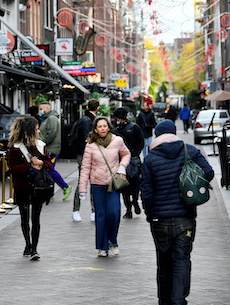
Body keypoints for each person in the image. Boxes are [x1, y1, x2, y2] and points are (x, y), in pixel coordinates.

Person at [141, 120, 214, 304]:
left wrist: (149, 214)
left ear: (157, 135)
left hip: (160, 219)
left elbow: (146, 191)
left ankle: (164, 301)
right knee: (182, 260)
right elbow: (209, 173)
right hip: (185, 217)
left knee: (164, 263)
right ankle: (179, 300)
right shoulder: (190, 151)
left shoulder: (150, 158)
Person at [78, 116, 131, 257]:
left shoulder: (117, 141)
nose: (102, 128)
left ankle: (112, 240)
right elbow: (85, 167)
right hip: (97, 185)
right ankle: (102, 247)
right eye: (99, 126)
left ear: (109, 127)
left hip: (113, 184)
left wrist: (122, 167)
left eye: (104, 126)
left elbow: (126, 154)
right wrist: (82, 188)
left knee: (114, 213)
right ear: (95, 129)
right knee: (100, 216)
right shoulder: (90, 145)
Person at [7, 116, 52, 261]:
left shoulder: (41, 145)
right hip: (22, 186)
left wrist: (40, 162)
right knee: (24, 218)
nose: (39, 131)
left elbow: (48, 164)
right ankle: (28, 243)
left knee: (36, 218)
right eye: (37, 129)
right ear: (29, 131)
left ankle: (34, 248)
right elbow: (12, 168)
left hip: (38, 187)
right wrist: (30, 165)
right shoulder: (15, 148)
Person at [112, 108, 145, 219]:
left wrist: (134, 154)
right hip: (125, 160)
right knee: (125, 185)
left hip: (131, 160)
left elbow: (141, 142)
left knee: (132, 183)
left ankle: (134, 203)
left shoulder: (133, 128)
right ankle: (129, 208)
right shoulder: (117, 130)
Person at [38, 102, 72, 201]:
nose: (39, 111)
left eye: (40, 108)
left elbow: (51, 133)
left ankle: (65, 187)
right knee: (47, 171)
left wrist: (43, 143)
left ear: (46, 108)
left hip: (51, 149)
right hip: (49, 149)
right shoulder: (48, 118)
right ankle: (49, 193)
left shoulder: (51, 119)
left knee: (50, 170)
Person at [72, 99, 99, 222]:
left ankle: (77, 210)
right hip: (86, 156)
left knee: (83, 182)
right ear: (97, 108)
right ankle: (87, 210)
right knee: (88, 182)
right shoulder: (89, 121)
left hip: (83, 155)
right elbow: (87, 139)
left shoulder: (85, 119)